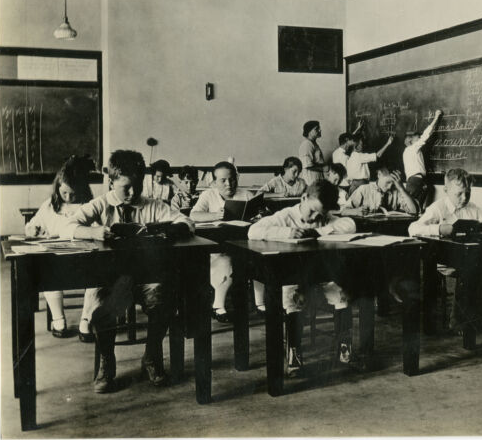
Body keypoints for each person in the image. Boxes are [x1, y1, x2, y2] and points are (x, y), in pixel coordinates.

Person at [62, 150, 194, 393]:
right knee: (102, 307)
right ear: (111, 182)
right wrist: (93, 232)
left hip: (147, 279)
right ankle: (107, 363)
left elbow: (186, 222)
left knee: (164, 300)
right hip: (112, 281)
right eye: (126, 187)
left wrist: (168, 231)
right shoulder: (100, 204)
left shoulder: (153, 206)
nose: (133, 193)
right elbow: (67, 226)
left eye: (138, 186)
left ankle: (152, 357)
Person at [248, 181, 357, 376]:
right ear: (304, 198)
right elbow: (253, 231)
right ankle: (294, 354)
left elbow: (350, 225)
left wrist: (318, 230)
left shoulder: (324, 218)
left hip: (322, 274)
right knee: (293, 298)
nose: (315, 217)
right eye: (313, 211)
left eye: (321, 214)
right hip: (292, 276)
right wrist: (286, 232)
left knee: (342, 295)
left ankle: (344, 350)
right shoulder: (286, 216)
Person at [408, 168, 482, 333]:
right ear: (446, 191)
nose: (464, 198)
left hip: (469, 256)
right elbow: (413, 228)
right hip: (442, 259)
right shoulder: (437, 208)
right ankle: (458, 319)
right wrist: (438, 228)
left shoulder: (472, 208)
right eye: (459, 194)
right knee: (470, 267)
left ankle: (479, 315)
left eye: (468, 193)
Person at [25, 155, 98, 341]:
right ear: (58, 188)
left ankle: (86, 321)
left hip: (83, 259)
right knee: (48, 274)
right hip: (57, 259)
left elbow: (97, 228)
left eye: (72, 194)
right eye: (64, 193)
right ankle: (59, 320)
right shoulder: (50, 205)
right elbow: (32, 225)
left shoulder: (89, 206)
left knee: (98, 279)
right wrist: (33, 229)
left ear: (82, 190)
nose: (68, 197)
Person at [190, 161, 256, 321]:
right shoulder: (208, 195)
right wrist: (214, 216)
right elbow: (194, 215)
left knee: (256, 261)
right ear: (214, 182)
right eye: (223, 180)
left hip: (243, 244)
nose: (229, 184)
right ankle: (218, 306)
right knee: (224, 262)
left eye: (232, 179)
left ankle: (260, 304)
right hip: (218, 246)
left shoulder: (246, 194)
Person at [403, 109, 442, 206]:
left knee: (415, 209)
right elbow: (426, 135)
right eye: (417, 137)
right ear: (411, 141)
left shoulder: (409, 151)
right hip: (415, 181)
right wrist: (436, 117)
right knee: (412, 208)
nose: (420, 138)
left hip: (417, 181)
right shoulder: (413, 148)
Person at [345, 166, 419, 215]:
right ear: (379, 174)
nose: (390, 187)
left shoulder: (397, 191)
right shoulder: (364, 189)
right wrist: (356, 211)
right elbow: (344, 211)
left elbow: (413, 211)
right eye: (388, 182)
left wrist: (401, 189)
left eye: (393, 183)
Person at [332, 120, 363, 189]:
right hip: (346, 184)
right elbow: (349, 173)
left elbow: (349, 139)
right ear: (346, 140)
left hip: (338, 183)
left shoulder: (335, 153)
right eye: (352, 140)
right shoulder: (345, 157)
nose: (354, 141)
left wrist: (357, 128)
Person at [298, 120, 326, 185]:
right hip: (311, 178)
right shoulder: (307, 144)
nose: (320, 130)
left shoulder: (314, 144)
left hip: (317, 177)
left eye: (319, 128)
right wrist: (324, 168)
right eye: (316, 129)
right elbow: (307, 165)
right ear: (309, 132)